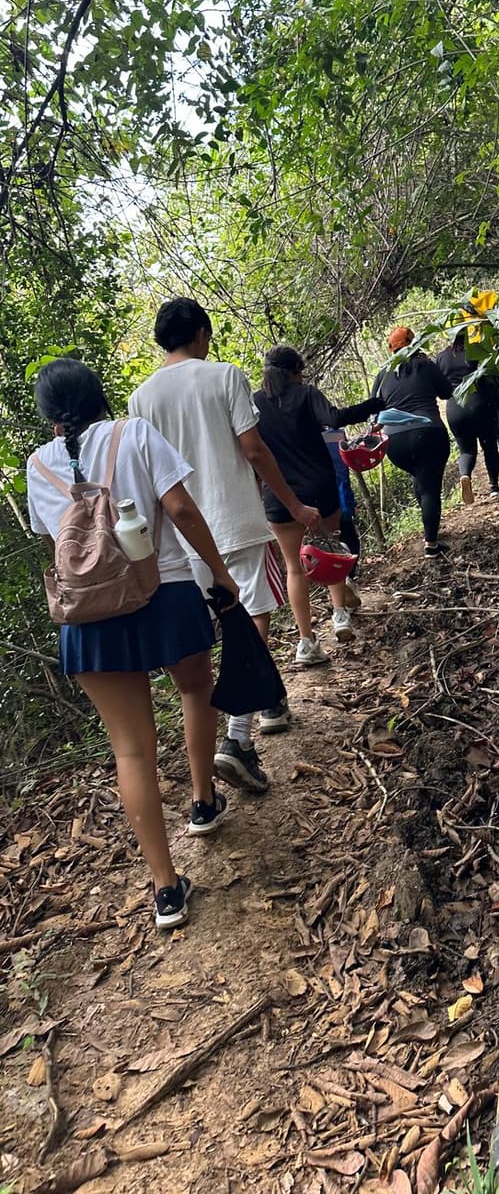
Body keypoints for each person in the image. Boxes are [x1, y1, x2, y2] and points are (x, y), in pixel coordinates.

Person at [26, 359, 239, 930]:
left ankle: (166, 890)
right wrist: (219, 574)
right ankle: (202, 802)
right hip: (164, 593)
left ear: (50, 416)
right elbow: (181, 509)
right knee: (196, 690)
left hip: (88, 615)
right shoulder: (135, 433)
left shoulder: (37, 465)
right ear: (101, 397)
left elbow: (59, 540)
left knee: (131, 750)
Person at [129, 299, 321, 786]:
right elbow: (253, 449)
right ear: (199, 334)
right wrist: (294, 506)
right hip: (231, 521)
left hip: (178, 536)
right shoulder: (225, 376)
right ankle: (238, 737)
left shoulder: (141, 399)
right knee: (250, 619)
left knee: (212, 634)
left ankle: (270, 704)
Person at [253, 347, 380, 664]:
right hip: (319, 489)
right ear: (296, 371)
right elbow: (335, 419)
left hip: (279, 497)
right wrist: (374, 405)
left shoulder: (254, 403)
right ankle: (339, 615)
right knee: (331, 551)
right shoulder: (306, 394)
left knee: (294, 568)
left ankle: (306, 642)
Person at [372, 327, 453, 558]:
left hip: (395, 443)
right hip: (428, 433)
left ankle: (430, 529)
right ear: (414, 343)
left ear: (391, 349)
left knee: (420, 478)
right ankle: (431, 544)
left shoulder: (383, 374)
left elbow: (373, 408)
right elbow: (446, 392)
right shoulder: (425, 365)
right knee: (429, 488)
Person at [436, 331, 499, 503]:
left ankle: (465, 476)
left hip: (455, 408)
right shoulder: (478, 352)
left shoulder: (441, 357)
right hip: (480, 402)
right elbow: (496, 378)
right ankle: (494, 487)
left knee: (466, 451)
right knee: (489, 447)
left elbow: (439, 389)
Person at [323, 427, 362, 608]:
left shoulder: (295, 434)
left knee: (327, 544)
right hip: (341, 496)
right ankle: (348, 578)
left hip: (315, 501)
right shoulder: (336, 434)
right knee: (348, 535)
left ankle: (337, 591)